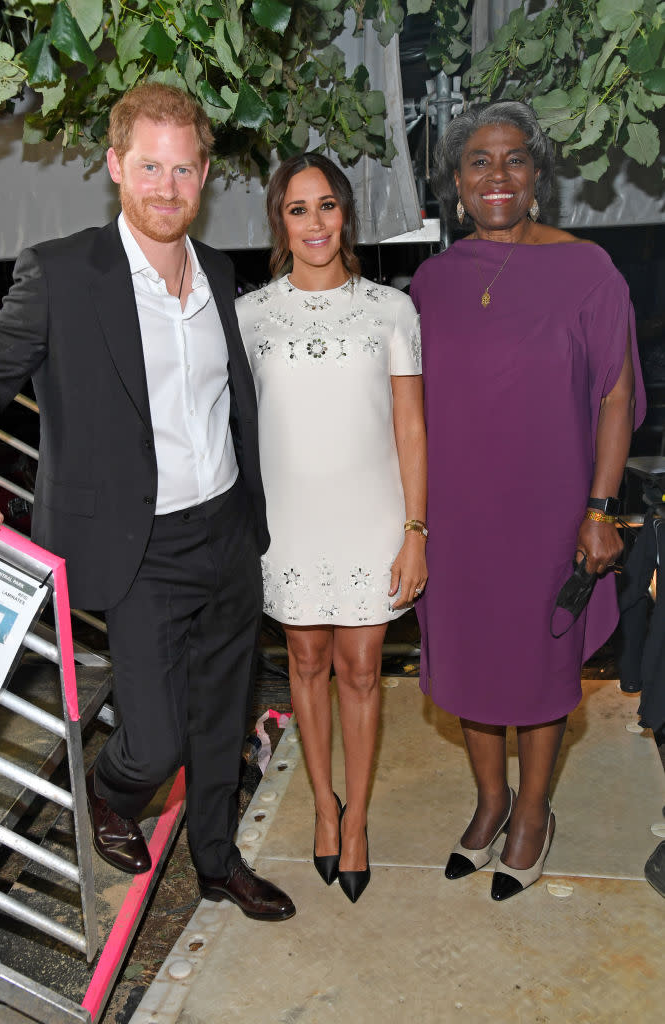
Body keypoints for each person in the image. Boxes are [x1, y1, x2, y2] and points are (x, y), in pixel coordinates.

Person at [0, 83, 295, 922]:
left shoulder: (218, 271)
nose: (166, 186)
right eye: (148, 165)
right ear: (116, 166)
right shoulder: (60, 273)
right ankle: (113, 794)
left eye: (183, 168)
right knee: (152, 740)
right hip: (137, 544)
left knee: (221, 717)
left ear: (204, 174)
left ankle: (219, 864)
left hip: (225, 528)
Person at [411, 101, 646, 901]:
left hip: (550, 510)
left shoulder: (587, 270)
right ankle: (488, 805)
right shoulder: (432, 283)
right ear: (455, 183)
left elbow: (615, 398)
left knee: (540, 667)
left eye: (514, 160)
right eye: (478, 161)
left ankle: (533, 814)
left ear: (538, 177)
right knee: (475, 663)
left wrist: (598, 508)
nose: (497, 176)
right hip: (458, 517)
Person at [237, 153, 427, 903]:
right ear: (279, 223)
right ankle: (322, 807)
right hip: (286, 522)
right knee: (304, 665)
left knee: (359, 671)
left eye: (325, 206)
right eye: (296, 209)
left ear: (344, 214)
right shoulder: (249, 316)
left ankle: (357, 824)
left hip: (372, 519)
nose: (313, 222)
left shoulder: (390, 309)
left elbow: (411, 427)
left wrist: (416, 528)